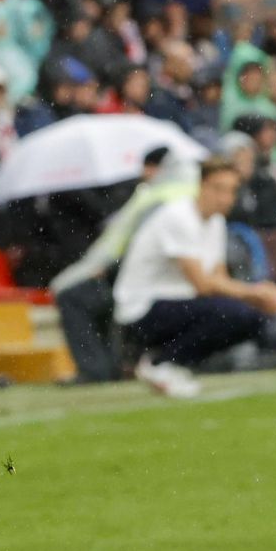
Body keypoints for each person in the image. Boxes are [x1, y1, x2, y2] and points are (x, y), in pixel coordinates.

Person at [113, 159, 276, 398]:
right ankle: (161, 363)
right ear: (201, 186)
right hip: (142, 309)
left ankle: (168, 363)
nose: (225, 198)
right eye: (218, 188)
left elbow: (220, 280)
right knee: (237, 314)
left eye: (231, 191)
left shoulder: (216, 222)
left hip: (177, 304)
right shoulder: (178, 216)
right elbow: (204, 285)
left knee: (249, 317)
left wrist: (257, 298)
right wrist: (257, 293)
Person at [51, 147, 195, 383]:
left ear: (155, 168)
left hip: (140, 279)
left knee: (72, 297)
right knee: (93, 301)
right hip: (164, 278)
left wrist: (107, 268)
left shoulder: (159, 196)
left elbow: (139, 243)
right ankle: (111, 366)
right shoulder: (186, 190)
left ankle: (96, 370)